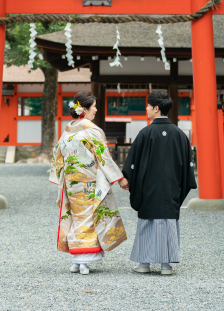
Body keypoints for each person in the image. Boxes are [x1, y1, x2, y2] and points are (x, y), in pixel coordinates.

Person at [49, 91, 129, 275]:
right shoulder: (92, 131)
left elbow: (57, 154)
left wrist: (61, 175)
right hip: (89, 182)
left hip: (72, 183)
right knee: (91, 217)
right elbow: (104, 157)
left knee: (78, 218)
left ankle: (76, 260)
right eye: (93, 106)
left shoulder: (67, 131)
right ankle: (84, 260)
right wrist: (120, 178)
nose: (96, 109)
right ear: (83, 109)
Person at [121, 91, 197, 275]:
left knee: (147, 222)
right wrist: (180, 187)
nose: (146, 109)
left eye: (148, 106)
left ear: (156, 108)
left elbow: (133, 162)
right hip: (171, 188)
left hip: (148, 189)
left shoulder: (145, 133)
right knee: (168, 222)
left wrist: (127, 179)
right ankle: (166, 265)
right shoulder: (180, 135)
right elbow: (187, 167)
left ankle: (144, 264)